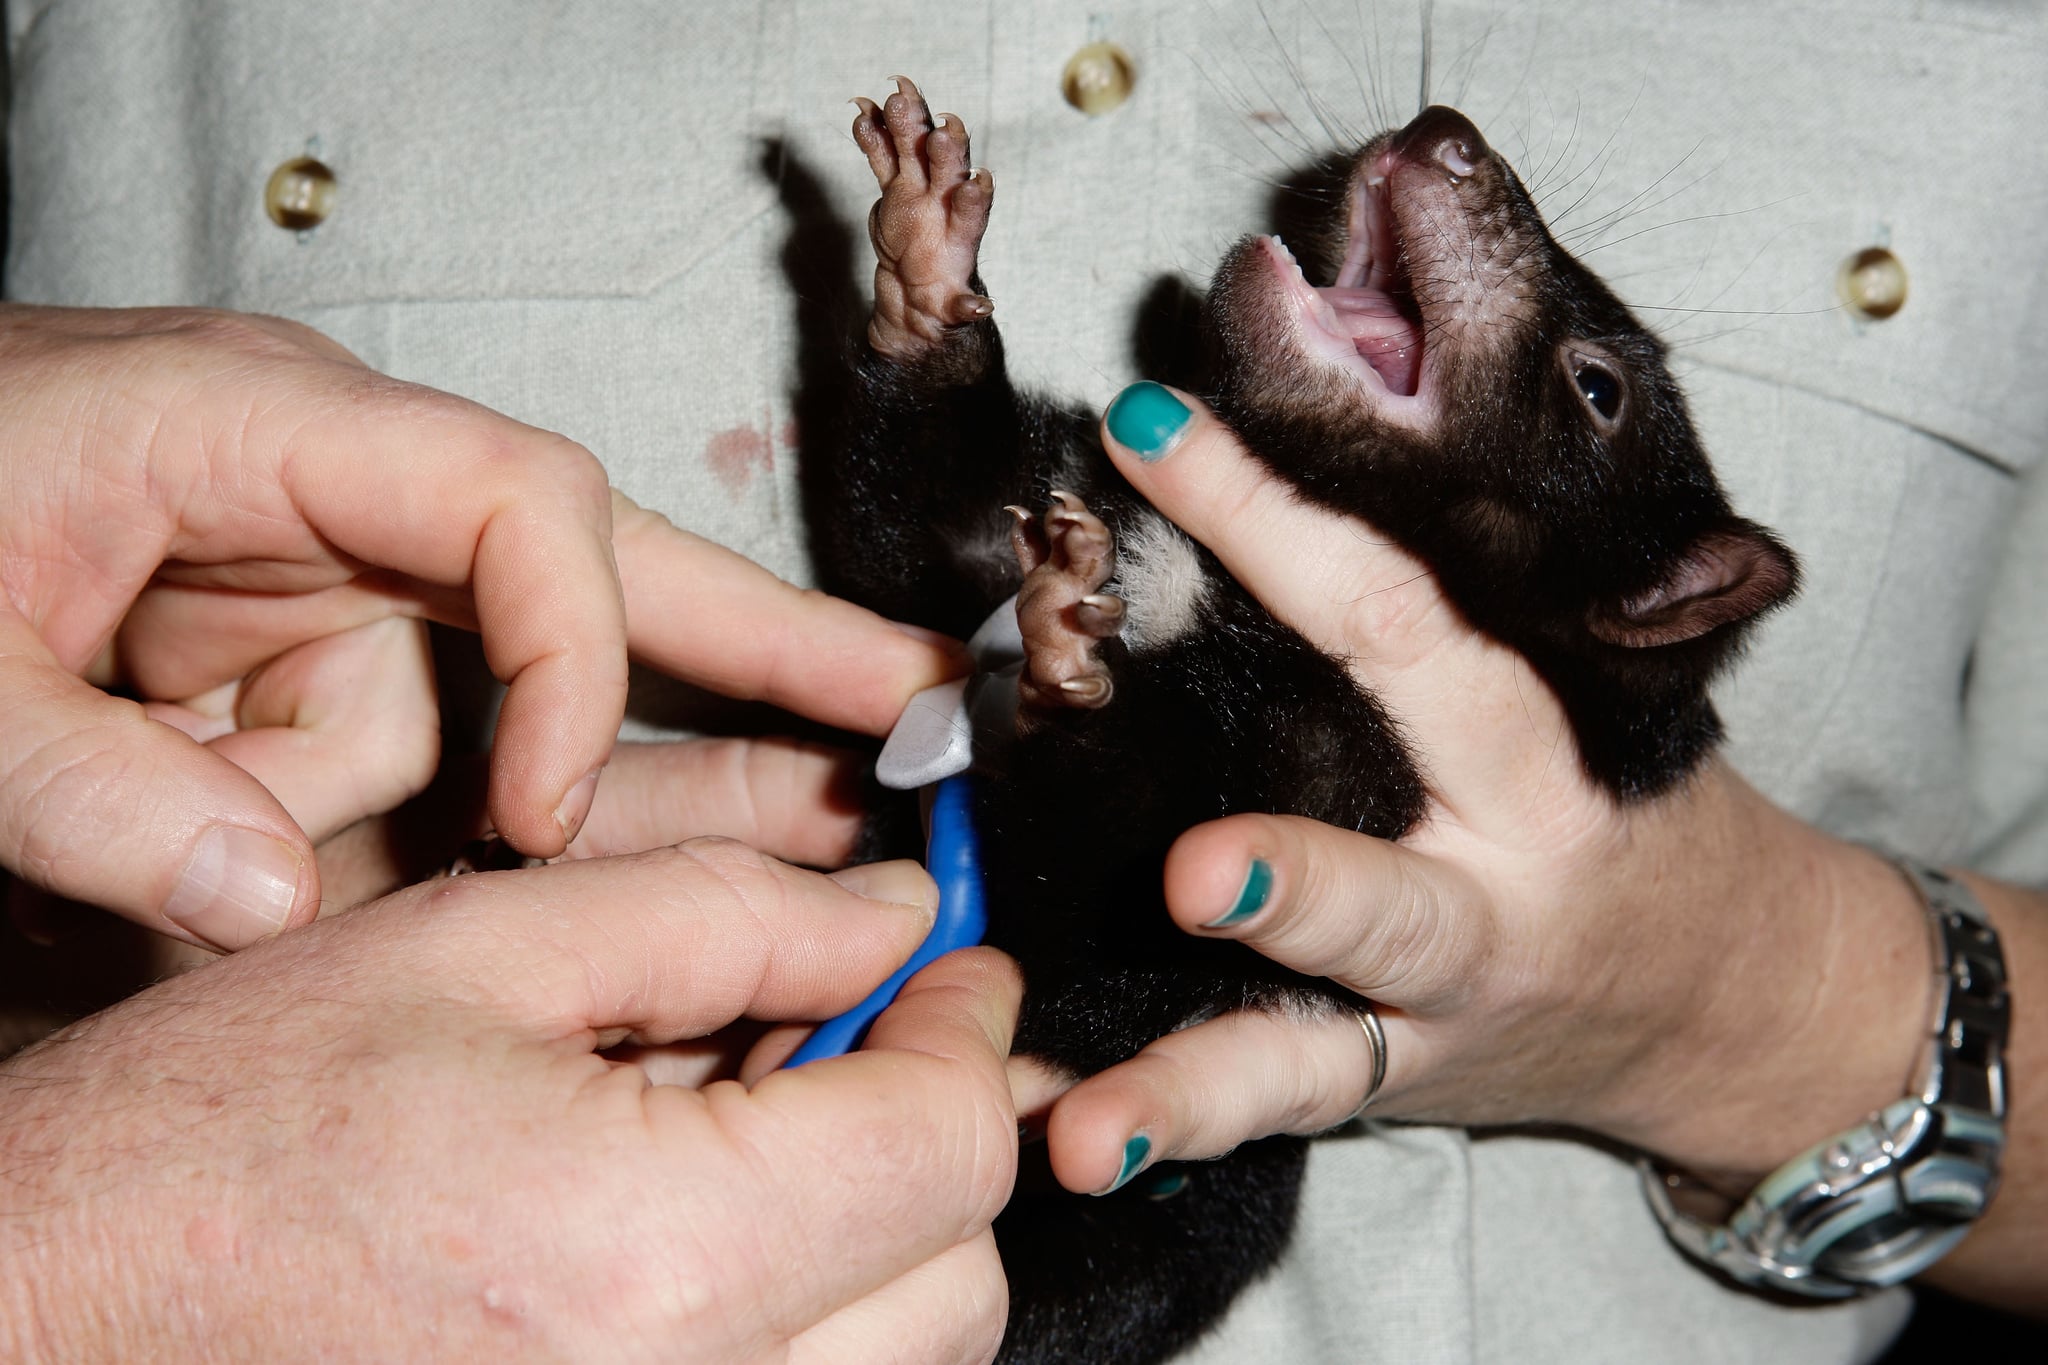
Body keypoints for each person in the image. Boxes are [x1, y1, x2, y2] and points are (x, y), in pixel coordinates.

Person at [2, 1, 2043, 1360]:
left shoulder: (1385, 715)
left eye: (1582, 390)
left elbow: (1116, 901)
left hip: (1088, 1234)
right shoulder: (1152, 524)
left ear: (1643, 599)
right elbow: (937, 557)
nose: (1445, 148)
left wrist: (1750, 995)